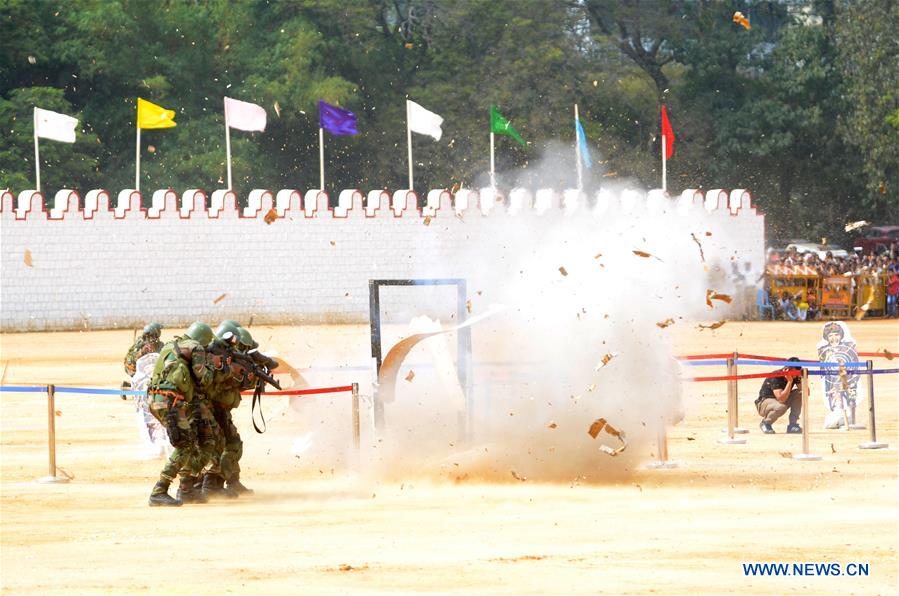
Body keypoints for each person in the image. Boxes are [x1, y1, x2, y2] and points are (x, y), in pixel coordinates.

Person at [146, 321, 217, 507]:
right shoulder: (196, 348)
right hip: (171, 402)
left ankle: (187, 488)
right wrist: (213, 367)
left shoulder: (170, 346)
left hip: (157, 400)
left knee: (191, 442)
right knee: (185, 445)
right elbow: (204, 378)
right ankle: (159, 490)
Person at [755, 357, 803, 434]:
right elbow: (781, 399)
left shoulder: (795, 376)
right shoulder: (776, 376)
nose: (795, 375)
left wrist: (801, 379)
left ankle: (793, 425)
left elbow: (806, 393)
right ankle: (766, 423)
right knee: (781, 407)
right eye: (794, 372)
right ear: (788, 369)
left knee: (799, 394)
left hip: (778, 401)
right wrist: (790, 382)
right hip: (764, 402)